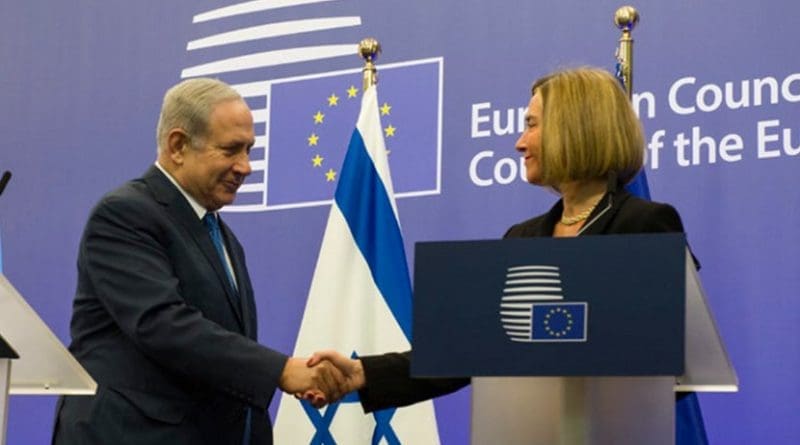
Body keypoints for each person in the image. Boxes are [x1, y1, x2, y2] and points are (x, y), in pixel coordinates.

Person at [306, 67, 705, 438]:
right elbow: (465, 351)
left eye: (531, 125)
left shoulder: (645, 223)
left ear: (576, 127)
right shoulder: (522, 238)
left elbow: (673, 359)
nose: (520, 143)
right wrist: (361, 373)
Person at [52, 78, 344, 445]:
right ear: (178, 146)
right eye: (231, 150)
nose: (246, 167)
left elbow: (221, 355)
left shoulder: (222, 237)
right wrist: (280, 371)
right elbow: (163, 324)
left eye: (249, 150)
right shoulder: (124, 214)